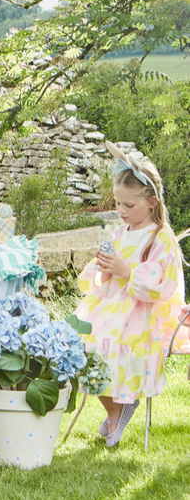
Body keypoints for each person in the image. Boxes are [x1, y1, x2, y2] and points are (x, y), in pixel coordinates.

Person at [74, 141, 187, 447]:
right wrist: (105, 270)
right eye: (118, 204)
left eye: (129, 205)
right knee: (80, 345)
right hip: (109, 306)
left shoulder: (159, 238)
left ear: (151, 202)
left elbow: (163, 288)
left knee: (113, 343)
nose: (121, 211)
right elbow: (98, 277)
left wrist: (127, 271)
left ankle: (117, 414)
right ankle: (116, 410)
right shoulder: (119, 233)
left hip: (143, 313)